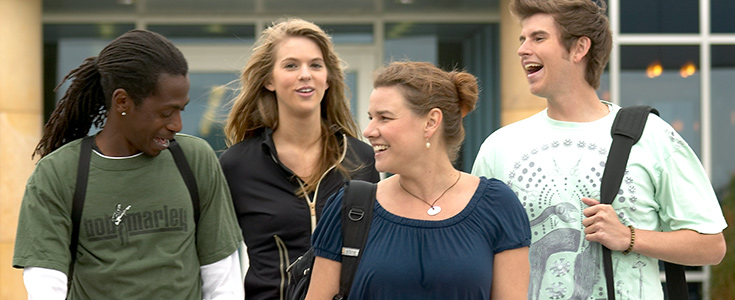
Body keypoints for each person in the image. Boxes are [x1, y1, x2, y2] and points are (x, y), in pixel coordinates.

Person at [471, 0, 728, 299]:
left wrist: (629, 237)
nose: (522, 49)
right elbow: (478, 252)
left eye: (538, 38)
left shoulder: (651, 136)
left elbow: (711, 245)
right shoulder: (499, 147)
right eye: (522, 39)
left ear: (580, 48)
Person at [12, 29, 244, 299]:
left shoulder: (195, 159)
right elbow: (45, 285)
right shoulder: (57, 173)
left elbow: (222, 280)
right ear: (122, 101)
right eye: (165, 113)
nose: (177, 125)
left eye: (181, 110)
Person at [305, 61, 531, 299]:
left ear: (431, 122)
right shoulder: (351, 207)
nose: (369, 131)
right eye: (371, 117)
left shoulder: (497, 206)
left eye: (384, 118)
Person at [219, 18, 380, 299]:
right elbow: (219, 260)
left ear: (328, 78)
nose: (305, 74)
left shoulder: (361, 158)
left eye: (315, 65)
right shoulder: (237, 164)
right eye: (291, 65)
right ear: (269, 80)